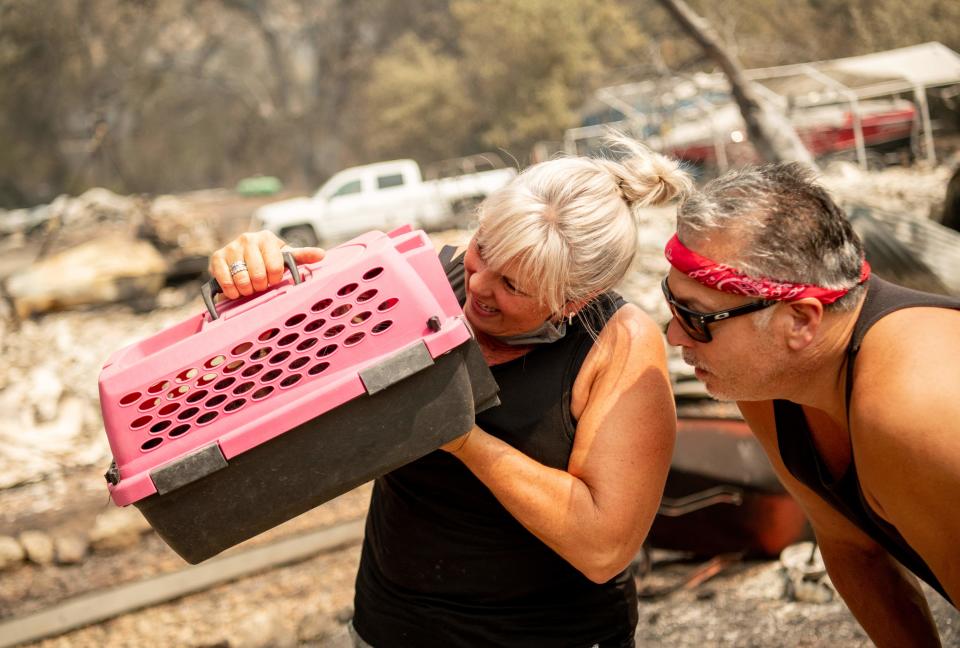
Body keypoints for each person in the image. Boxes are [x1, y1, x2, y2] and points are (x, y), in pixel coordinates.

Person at [209, 137, 692, 647]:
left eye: (514, 285)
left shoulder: (618, 343)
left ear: (575, 300)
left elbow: (603, 548)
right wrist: (262, 284)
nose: (479, 285)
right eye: (483, 248)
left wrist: (462, 435)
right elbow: (276, 379)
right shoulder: (417, 283)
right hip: (390, 629)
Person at [661, 162, 959, 646]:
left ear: (800, 320)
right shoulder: (771, 385)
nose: (674, 334)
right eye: (671, 304)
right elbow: (850, 547)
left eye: (696, 317)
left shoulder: (914, 408)